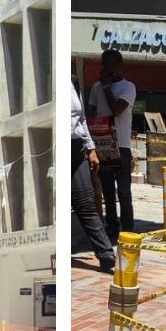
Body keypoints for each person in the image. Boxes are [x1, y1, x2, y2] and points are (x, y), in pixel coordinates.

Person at [88, 49, 137, 238]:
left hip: (122, 147)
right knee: (107, 191)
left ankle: (128, 227)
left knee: (123, 191)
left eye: (109, 64)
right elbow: (91, 113)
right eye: (103, 64)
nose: (105, 68)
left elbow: (117, 110)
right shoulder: (95, 88)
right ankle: (111, 226)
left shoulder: (128, 87)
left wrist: (107, 87)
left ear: (118, 66)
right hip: (102, 146)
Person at [71, 74, 116, 272]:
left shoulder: (72, 81)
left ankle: (106, 255)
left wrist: (90, 148)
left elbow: (81, 119)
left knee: (85, 202)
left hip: (76, 148)